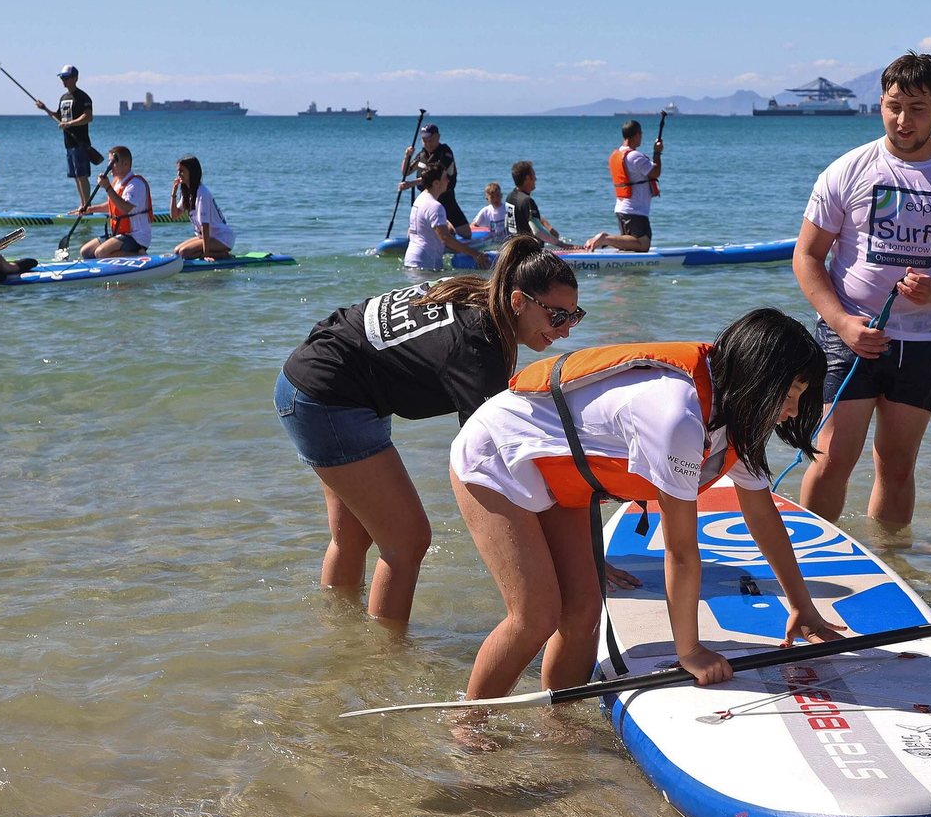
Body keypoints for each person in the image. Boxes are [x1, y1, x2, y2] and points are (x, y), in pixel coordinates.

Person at [449, 308, 843, 726]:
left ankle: (560, 728)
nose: (791, 411)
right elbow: (680, 551)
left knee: (582, 614)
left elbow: (763, 516)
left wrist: (802, 606)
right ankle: (468, 728)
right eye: (787, 396)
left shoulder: (734, 410)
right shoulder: (677, 416)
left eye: (800, 397)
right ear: (758, 378)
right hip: (496, 456)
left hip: (555, 474)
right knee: (536, 615)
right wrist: (688, 652)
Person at [275, 236, 582, 622]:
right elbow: (498, 459)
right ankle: (387, 661)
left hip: (312, 376)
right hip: (327, 396)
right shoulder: (478, 346)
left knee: (352, 537)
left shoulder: (477, 293)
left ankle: (342, 642)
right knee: (407, 542)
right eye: (557, 317)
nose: (566, 330)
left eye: (574, 315)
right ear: (518, 301)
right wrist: (575, 556)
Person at [791, 51, 931, 529]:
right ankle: (802, 563)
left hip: (922, 344)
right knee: (831, 457)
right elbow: (806, 257)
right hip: (848, 336)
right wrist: (842, 323)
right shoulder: (846, 170)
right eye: (893, 106)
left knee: (896, 465)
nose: (903, 120)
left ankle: (893, 567)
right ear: (880, 105)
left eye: (917, 108)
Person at [584, 119, 662, 253]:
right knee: (643, 245)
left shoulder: (617, 155)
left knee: (632, 246)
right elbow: (655, 172)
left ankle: (624, 271)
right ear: (637, 135)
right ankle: (605, 239)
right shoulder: (635, 156)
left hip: (623, 208)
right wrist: (657, 152)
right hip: (634, 210)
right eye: (641, 134)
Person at [32, 65, 96, 210]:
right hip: (68, 143)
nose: (63, 81)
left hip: (80, 141)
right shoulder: (63, 98)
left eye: (66, 78)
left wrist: (70, 124)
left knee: (82, 175)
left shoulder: (83, 97)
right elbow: (59, 116)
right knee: (75, 176)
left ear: (75, 78)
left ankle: (87, 207)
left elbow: (88, 117)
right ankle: (83, 205)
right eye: (62, 78)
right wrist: (45, 109)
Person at [404, 166, 490, 272]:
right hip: (426, 264)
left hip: (411, 260)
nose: (448, 181)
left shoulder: (420, 199)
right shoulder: (435, 206)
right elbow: (445, 238)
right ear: (436, 183)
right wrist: (475, 254)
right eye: (445, 178)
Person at [73, 146, 152, 259]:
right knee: (86, 251)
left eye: (113, 162)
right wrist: (90, 209)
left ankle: (139, 254)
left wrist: (107, 187)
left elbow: (125, 208)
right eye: (109, 162)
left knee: (101, 253)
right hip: (120, 234)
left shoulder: (135, 184)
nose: (110, 167)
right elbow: (113, 205)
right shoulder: (117, 182)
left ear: (125, 164)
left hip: (136, 237)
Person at [399, 124, 469, 237]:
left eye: (431, 140)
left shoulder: (446, 152)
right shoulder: (422, 155)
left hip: (446, 197)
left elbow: (434, 176)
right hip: (427, 197)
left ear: (438, 137)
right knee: (411, 233)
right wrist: (407, 156)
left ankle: (446, 226)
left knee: (466, 234)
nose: (428, 144)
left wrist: (411, 184)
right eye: (424, 141)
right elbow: (405, 172)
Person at [168, 155, 234, 260]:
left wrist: (206, 254)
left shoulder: (202, 192)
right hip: (207, 237)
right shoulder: (188, 193)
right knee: (177, 251)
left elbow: (205, 225)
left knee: (185, 253)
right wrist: (174, 193)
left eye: (181, 171)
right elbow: (174, 215)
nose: (178, 174)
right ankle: (215, 252)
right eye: (178, 171)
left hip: (222, 237)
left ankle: (222, 255)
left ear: (191, 172)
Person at [504, 161, 567, 247]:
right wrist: (562, 244)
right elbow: (538, 232)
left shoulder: (510, 197)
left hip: (514, 247)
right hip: (528, 251)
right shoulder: (527, 201)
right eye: (534, 175)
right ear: (527, 179)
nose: (536, 179)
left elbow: (508, 223)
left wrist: (548, 226)